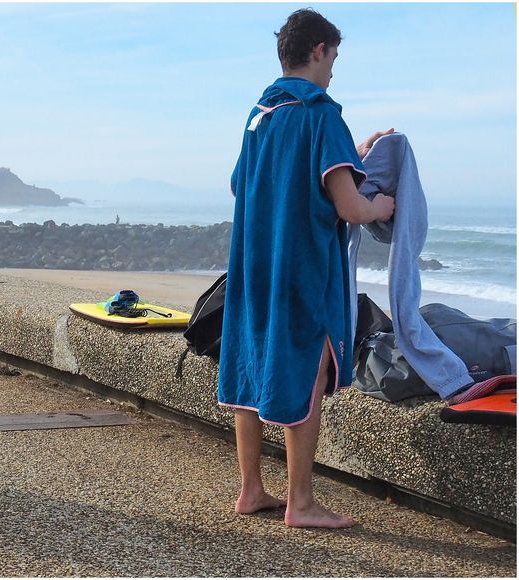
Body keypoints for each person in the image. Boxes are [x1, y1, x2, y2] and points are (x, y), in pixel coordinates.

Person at [217, 9, 395, 529]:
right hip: (301, 269)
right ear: (318, 50)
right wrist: (380, 206)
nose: (335, 68)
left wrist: (351, 155)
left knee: (253, 365)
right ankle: (301, 503)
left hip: (253, 266)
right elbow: (350, 208)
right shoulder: (321, 115)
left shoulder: (261, 114)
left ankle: (251, 490)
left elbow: (241, 184)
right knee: (310, 370)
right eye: (334, 56)